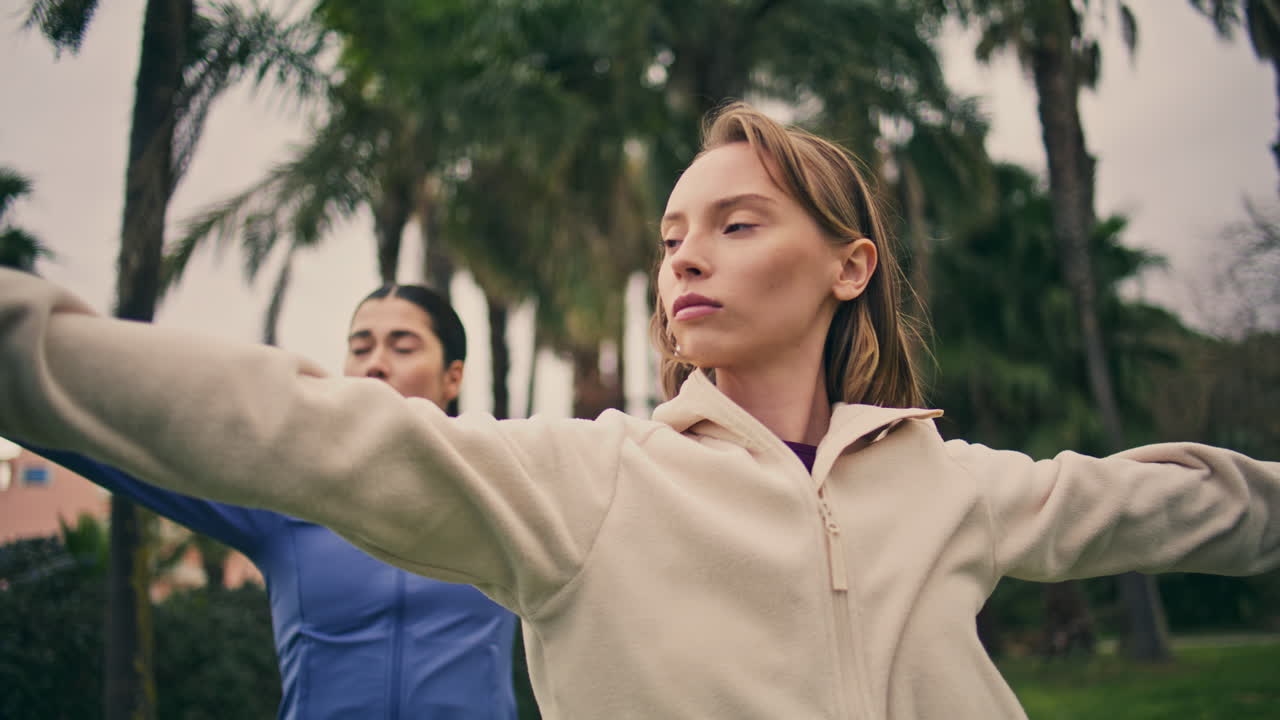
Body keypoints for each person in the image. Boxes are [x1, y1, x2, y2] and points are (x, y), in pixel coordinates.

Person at [1, 102, 1277, 720]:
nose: (684, 259)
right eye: (671, 236)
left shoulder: (946, 483)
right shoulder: (586, 481)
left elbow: (1183, 502)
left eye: (735, 223)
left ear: (849, 266)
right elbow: (277, 420)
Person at [20, 284, 519, 720]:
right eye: (360, 347)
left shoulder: (504, 499)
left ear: (453, 377)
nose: (375, 364)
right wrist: (20, 379)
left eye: (402, 346)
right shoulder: (290, 494)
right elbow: (118, 442)